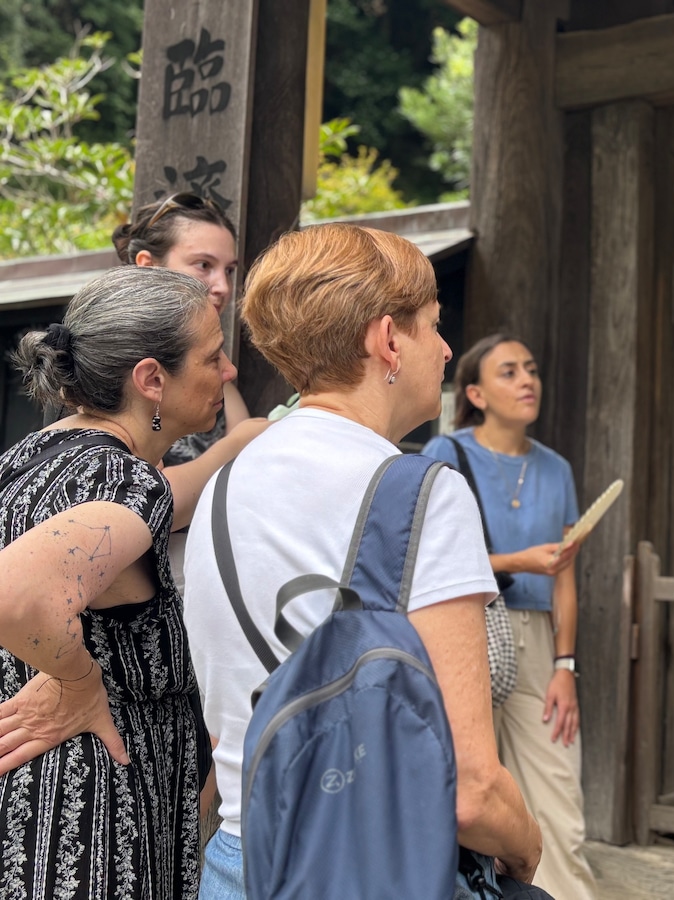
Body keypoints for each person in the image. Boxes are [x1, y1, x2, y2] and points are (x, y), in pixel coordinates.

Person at [181, 225, 542, 898]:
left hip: (239, 858)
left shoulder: (225, 481)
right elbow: (471, 790)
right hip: (373, 862)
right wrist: (526, 842)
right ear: (386, 341)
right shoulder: (421, 491)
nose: (444, 349)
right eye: (434, 327)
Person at [0, 265, 234, 898]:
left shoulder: (37, 455)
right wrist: (80, 682)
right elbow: (14, 596)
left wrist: (234, 449)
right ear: (152, 379)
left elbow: (170, 496)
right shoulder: (121, 480)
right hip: (94, 824)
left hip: (37, 809)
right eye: (214, 357)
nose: (229, 371)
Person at [423, 335, 599, 900]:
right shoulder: (444, 456)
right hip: (466, 631)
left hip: (541, 642)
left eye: (531, 369)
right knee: (471, 796)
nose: (527, 380)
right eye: (508, 372)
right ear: (475, 392)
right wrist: (518, 561)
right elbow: (429, 557)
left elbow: (564, 574)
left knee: (561, 806)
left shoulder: (557, 469)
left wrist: (565, 665)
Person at [110, 192, 269, 582]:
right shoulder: (107, 368)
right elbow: (130, 500)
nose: (222, 287)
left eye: (229, 270)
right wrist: (239, 442)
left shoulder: (222, 382)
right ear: (146, 266)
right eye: (203, 265)